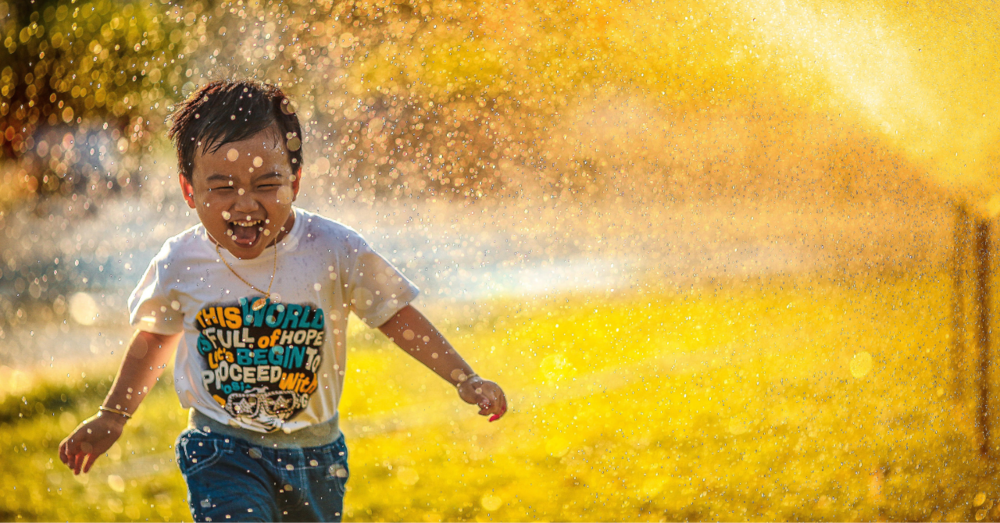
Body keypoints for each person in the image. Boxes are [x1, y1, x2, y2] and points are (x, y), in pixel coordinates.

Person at [58, 79, 507, 522]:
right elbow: (155, 338)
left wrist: (463, 377)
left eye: (266, 183)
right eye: (222, 187)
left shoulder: (333, 248)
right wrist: (113, 415)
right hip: (221, 448)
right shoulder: (182, 260)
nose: (245, 203)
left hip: (315, 454)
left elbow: (395, 315)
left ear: (295, 181)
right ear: (189, 191)